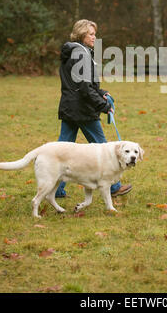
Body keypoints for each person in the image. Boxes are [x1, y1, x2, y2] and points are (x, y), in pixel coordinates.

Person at [55, 19, 132, 199]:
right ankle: (114, 188)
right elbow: (84, 88)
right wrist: (104, 106)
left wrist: (102, 92)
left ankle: (57, 190)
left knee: (61, 151)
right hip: (82, 110)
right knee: (104, 147)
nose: (94, 37)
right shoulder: (80, 54)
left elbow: (85, 84)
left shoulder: (74, 52)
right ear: (81, 34)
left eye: (94, 34)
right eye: (91, 34)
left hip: (70, 108)